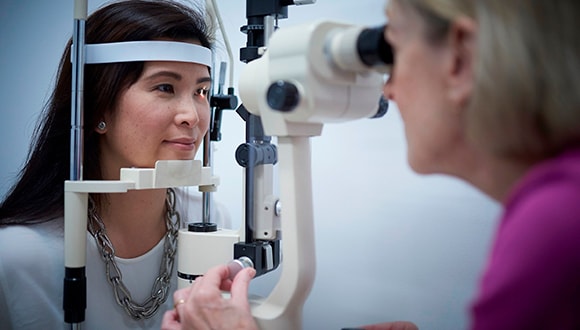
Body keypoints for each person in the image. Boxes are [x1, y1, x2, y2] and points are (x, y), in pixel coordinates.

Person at [161, 0, 580, 329]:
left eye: (392, 50)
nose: (389, 88)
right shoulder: (557, 204)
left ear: (460, 58)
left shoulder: (554, 227)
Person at [0, 0, 231, 329]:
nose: (192, 117)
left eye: (201, 91)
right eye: (165, 87)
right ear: (97, 109)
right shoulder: (16, 258)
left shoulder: (209, 222)